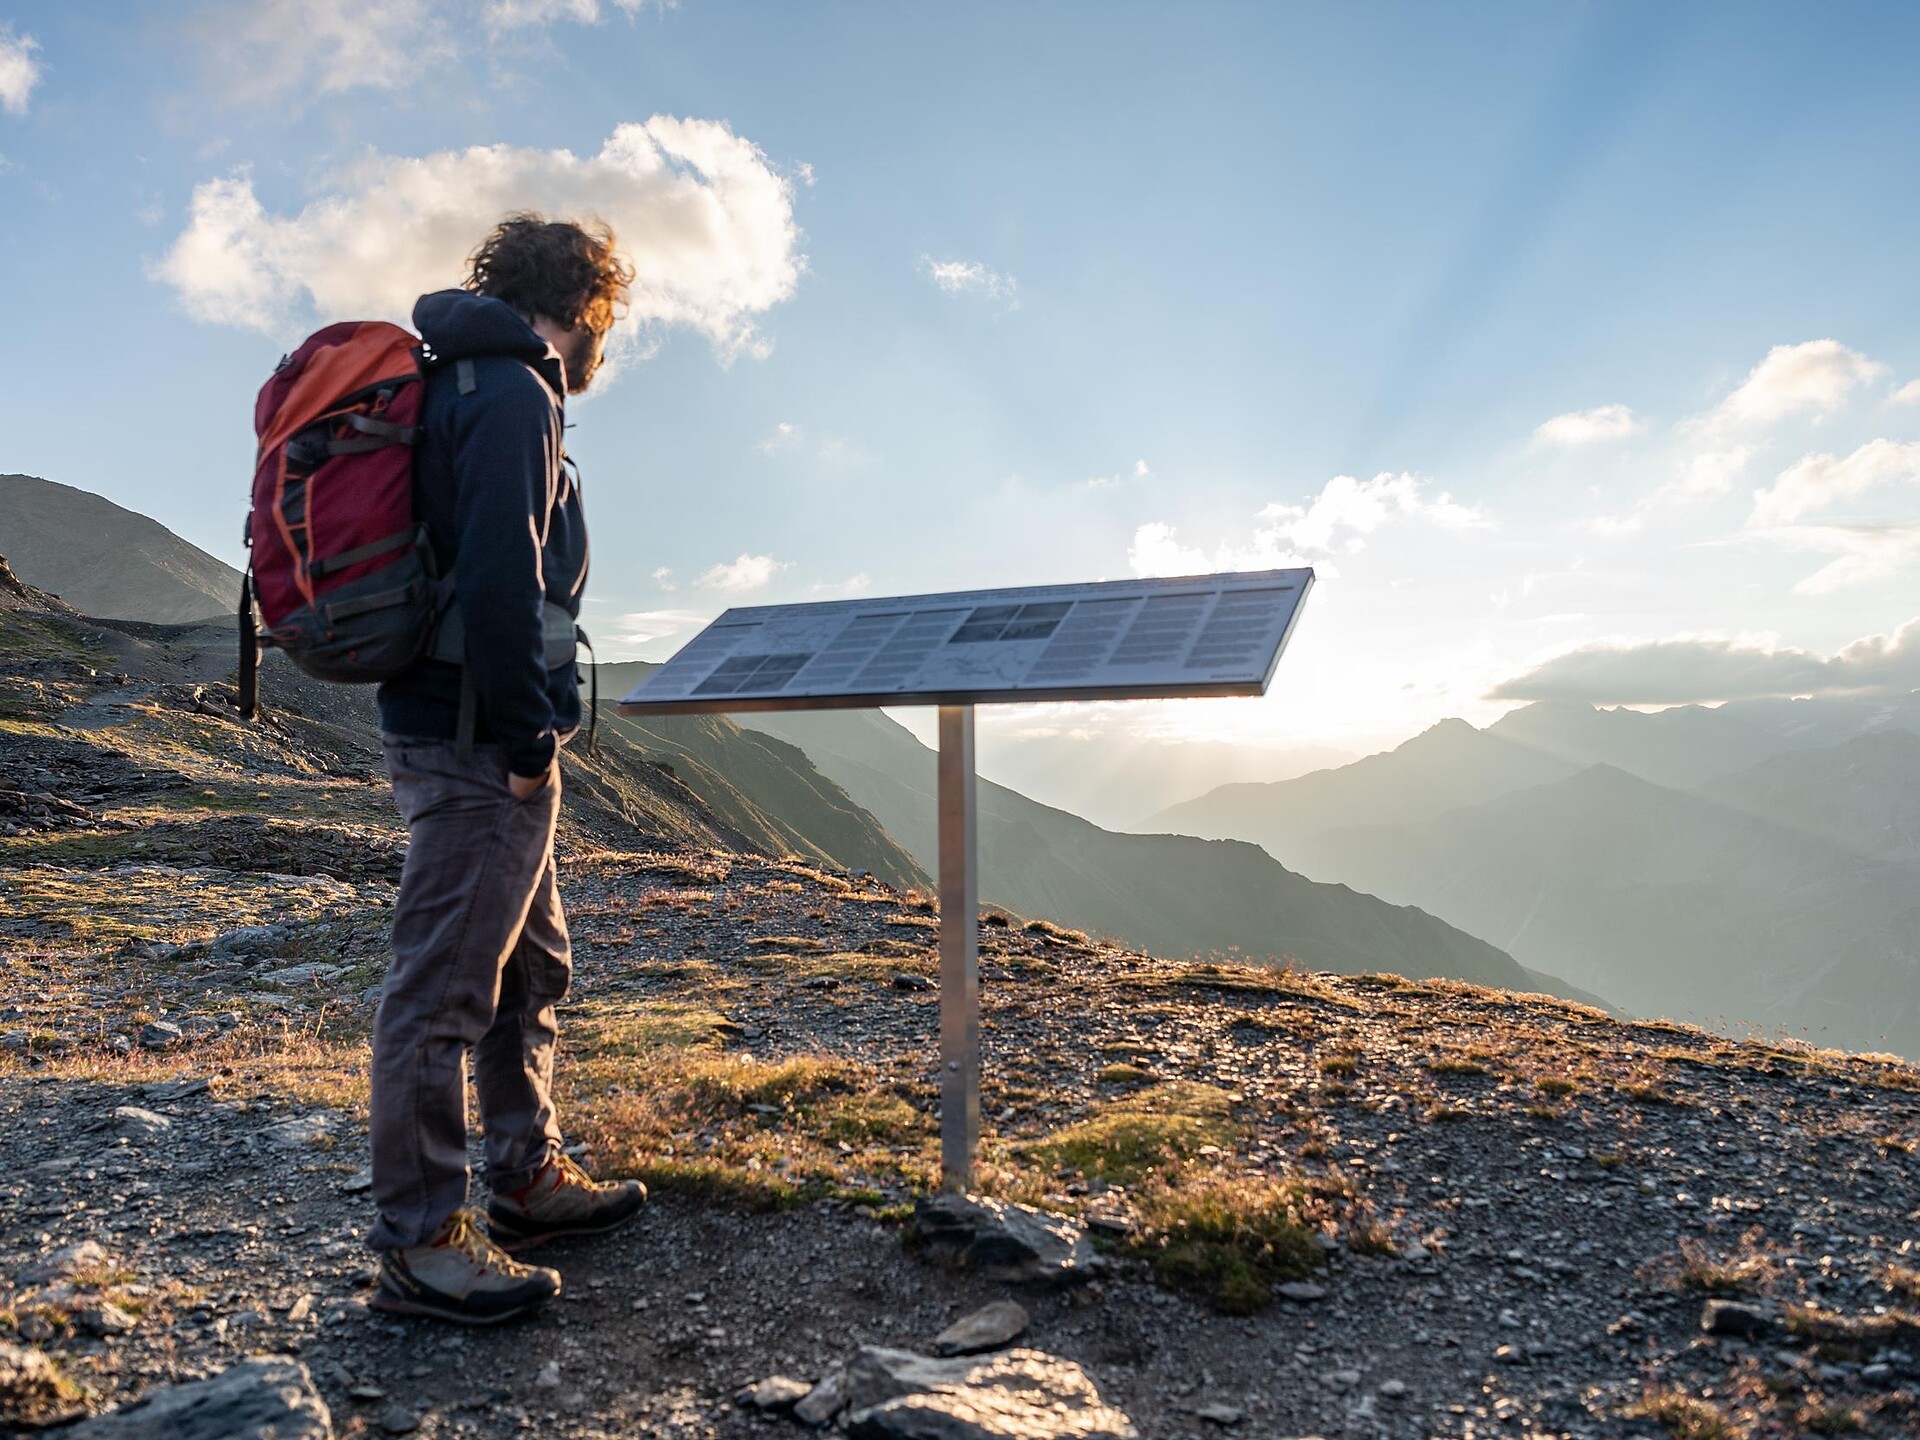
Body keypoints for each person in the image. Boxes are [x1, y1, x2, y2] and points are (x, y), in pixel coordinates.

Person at [367, 214, 644, 1324]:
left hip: (468, 726)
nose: (600, 352)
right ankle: (424, 1242)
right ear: (583, 310)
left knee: (528, 970)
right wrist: (529, 748)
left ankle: (525, 1174)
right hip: (481, 741)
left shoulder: (464, 382)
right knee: (441, 993)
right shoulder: (515, 392)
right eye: (603, 327)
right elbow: (498, 580)